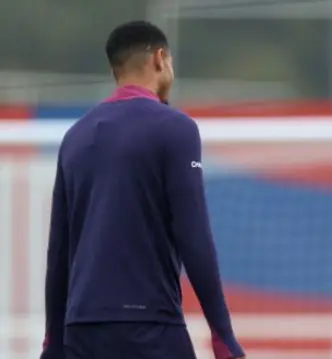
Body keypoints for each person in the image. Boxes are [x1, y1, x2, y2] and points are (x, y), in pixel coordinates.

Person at [40, 21, 245, 359]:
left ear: (114, 69)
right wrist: (223, 336)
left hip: (81, 331)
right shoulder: (175, 129)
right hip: (149, 326)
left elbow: (58, 251)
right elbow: (194, 237)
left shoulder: (74, 137)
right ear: (160, 59)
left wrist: (53, 343)